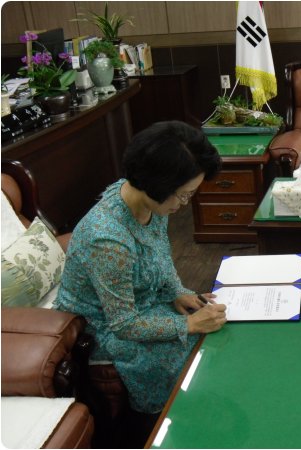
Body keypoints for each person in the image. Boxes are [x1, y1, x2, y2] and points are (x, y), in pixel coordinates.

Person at [54, 121, 227, 429]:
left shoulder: (149, 201)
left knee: (214, 335)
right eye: (183, 195)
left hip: (140, 304)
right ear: (157, 185)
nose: (185, 204)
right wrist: (186, 323)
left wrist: (176, 290)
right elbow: (123, 324)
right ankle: (165, 424)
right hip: (99, 326)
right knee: (180, 356)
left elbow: (159, 256)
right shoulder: (107, 238)